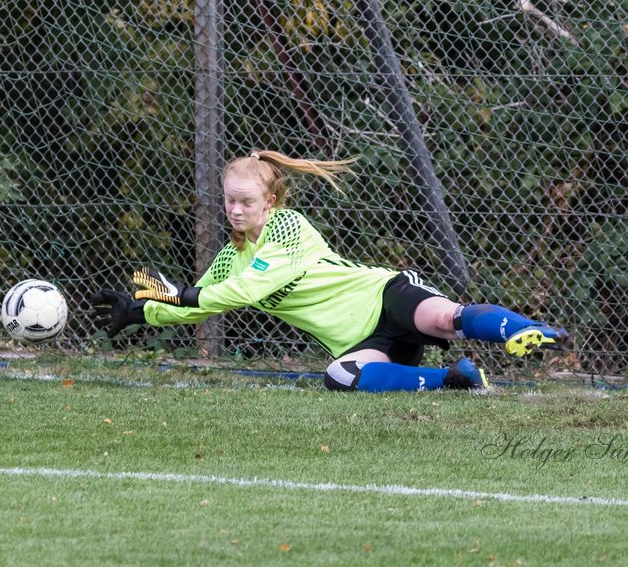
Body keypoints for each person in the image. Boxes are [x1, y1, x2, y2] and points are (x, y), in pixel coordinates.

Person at [90, 150, 568, 392]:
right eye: (229, 200)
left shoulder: (288, 230)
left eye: (246, 201)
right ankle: (456, 381)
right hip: (362, 342)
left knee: (446, 319)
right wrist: (142, 313)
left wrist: (179, 296)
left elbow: (241, 290)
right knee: (340, 378)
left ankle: (527, 330)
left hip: (383, 295)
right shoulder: (231, 258)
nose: (234, 210)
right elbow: (198, 301)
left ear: (269, 202)